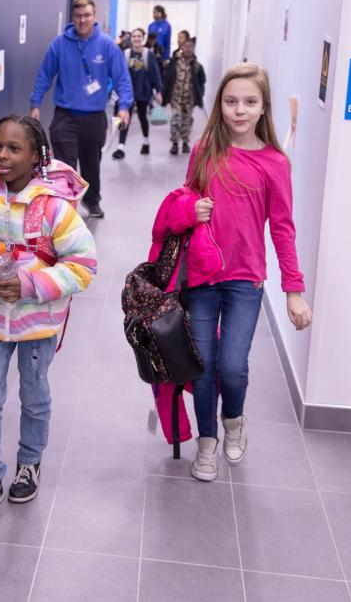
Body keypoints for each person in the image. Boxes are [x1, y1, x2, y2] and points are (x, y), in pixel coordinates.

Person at [0, 115, 97, 530]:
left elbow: (83, 264)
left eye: (14, 148)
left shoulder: (55, 209)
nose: (2, 156)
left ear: (36, 157)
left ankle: (29, 462)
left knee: (34, 397)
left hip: (39, 324)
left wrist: (30, 283)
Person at [178, 64, 312, 482]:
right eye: (231, 101)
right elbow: (184, 202)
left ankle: (233, 421)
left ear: (262, 108)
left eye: (249, 102)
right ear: (220, 103)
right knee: (201, 365)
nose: (239, 110)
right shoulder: (204, 151)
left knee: (233, 366)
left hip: (244, 281)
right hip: (201, 277)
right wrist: (191, 210)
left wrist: (294, 289)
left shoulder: (274, 163)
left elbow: (283, 228)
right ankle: (206, 442)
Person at [29, 0, 133, 219]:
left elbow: (122, 77)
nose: (82, 20)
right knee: (66, 165)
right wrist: (35, 102)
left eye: (87, 15)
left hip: (94, 116)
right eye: (78, 16)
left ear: (94, 17)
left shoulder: (106, 46)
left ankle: (92, 200)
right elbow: (45, 74)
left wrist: (124, 106)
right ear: (72, 18)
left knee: (91, 163)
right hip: (65, 115)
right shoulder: (59, 44)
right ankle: (66, 205)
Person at [112, 28, 163, 159]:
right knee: (124, 118)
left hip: (143, 91)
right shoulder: (126, 53)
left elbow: (155, 73)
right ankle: (120, 147)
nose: (136, 39)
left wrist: (158, 90)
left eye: (139, 36)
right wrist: (115, 90)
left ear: (143, 38)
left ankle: (146, 142)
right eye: (134, 36)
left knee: (142, 117)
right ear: (131, 38)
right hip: (127, 92)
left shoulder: (148, 54)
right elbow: (118, 72)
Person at [162, 37, 206, 155]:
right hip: (175, 98)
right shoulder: (174, 63)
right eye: (185, 46)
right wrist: (164, 95)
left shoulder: (197, 66)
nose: (188, 49)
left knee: (186, 121)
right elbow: (167, 79)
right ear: (181, 47)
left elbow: (202, 81)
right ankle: (175, 143)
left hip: (189, 100)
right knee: (175, 120)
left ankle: (185, 142)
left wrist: (199, 96)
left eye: (190, 47)